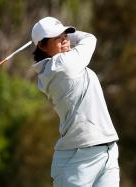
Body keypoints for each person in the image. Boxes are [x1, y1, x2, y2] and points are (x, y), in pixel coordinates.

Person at [31, 17, 120, 187]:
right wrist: (72, 34)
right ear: (42, 46)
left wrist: (62, 33)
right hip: (79, 156)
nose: (65, 39)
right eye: (57, 37)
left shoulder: (57, 66)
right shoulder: (62, 65)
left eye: (66, 35)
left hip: (106, 149)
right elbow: (89, 38)